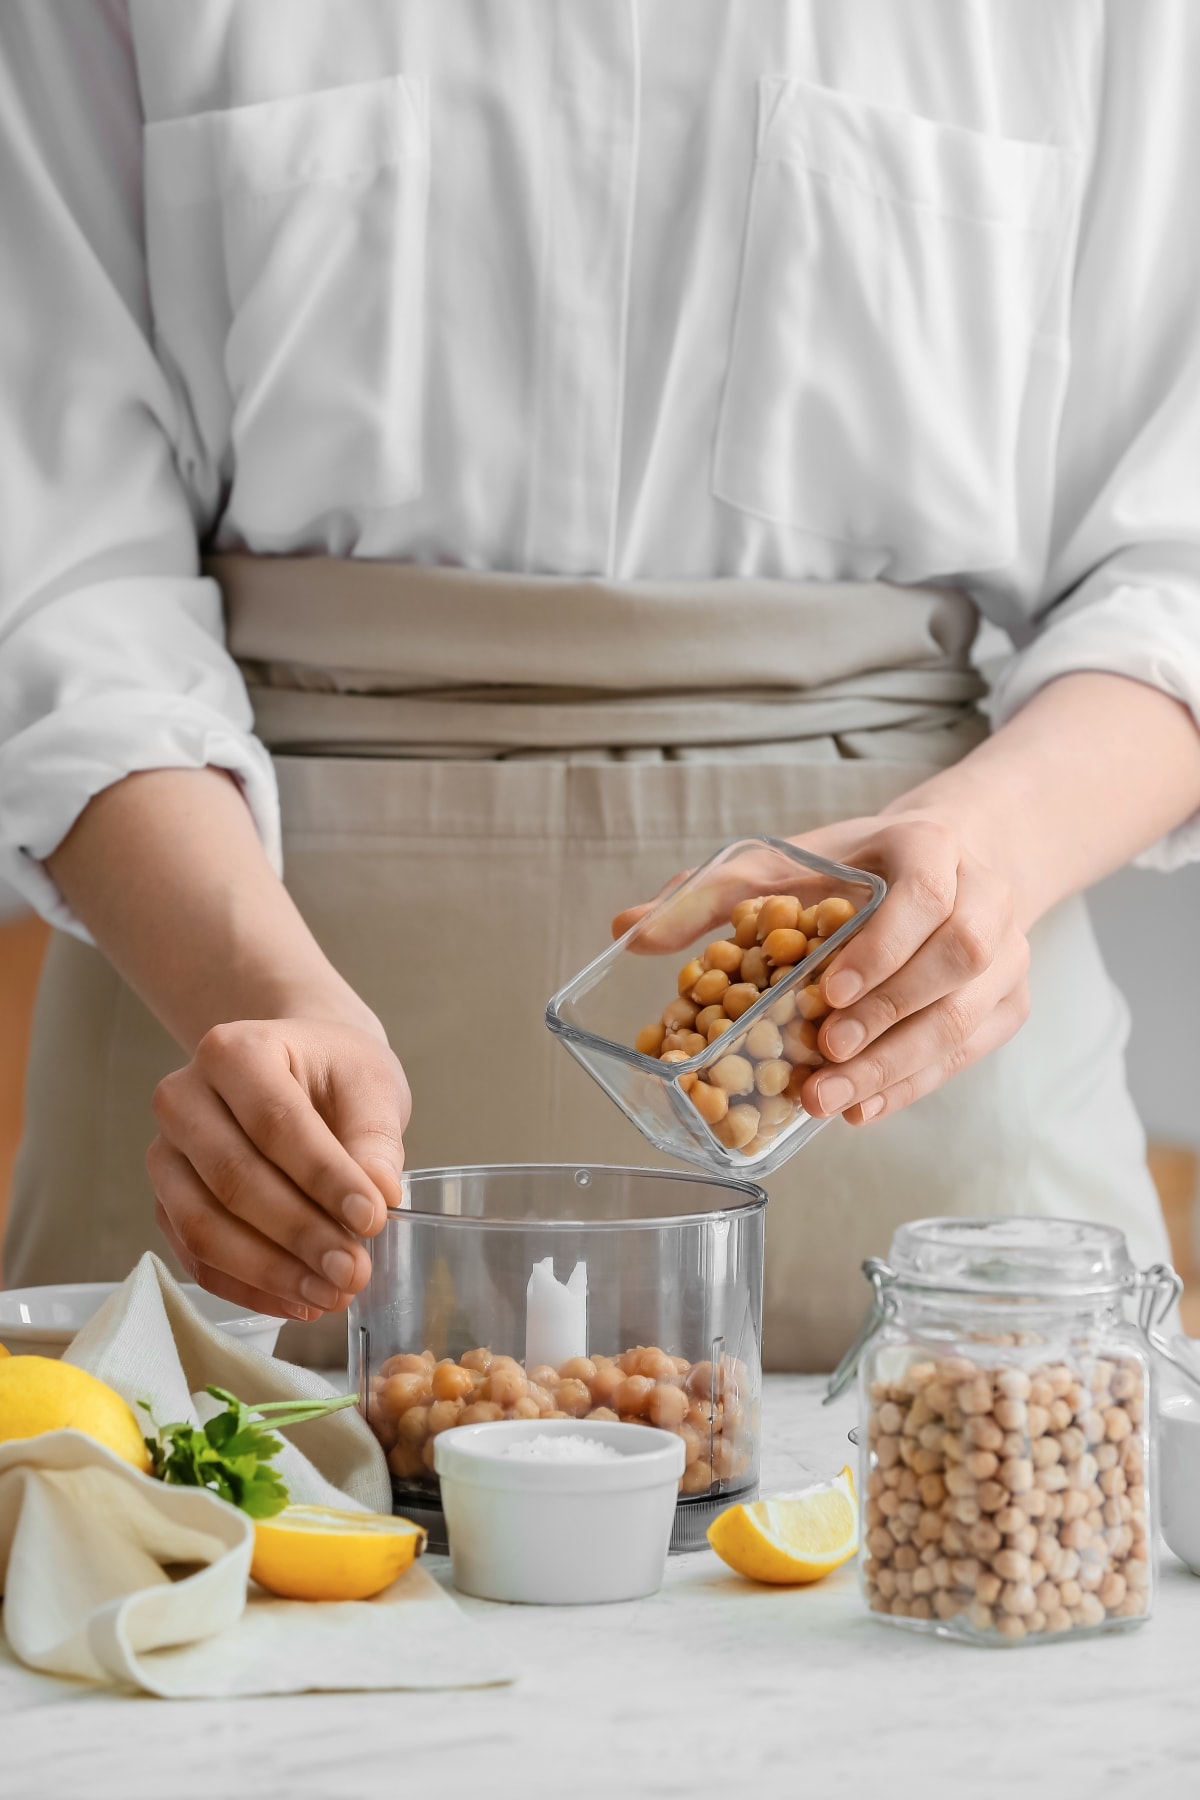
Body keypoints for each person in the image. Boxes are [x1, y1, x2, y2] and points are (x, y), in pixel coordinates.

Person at [2, 2, 1199, 1369]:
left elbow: (1177, 553)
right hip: (231, 1122)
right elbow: (53, 554)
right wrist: (249, 985)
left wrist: (981, 857)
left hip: (926, 1153)